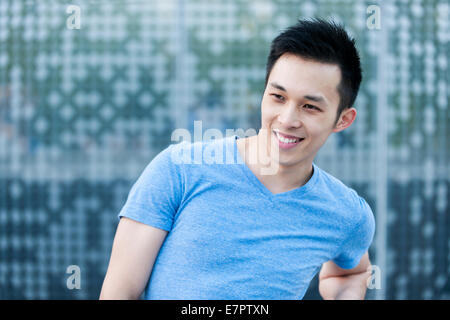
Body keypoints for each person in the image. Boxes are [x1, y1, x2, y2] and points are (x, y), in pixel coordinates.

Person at [100, 18, 375, 300]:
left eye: (310, 106)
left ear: (342, 120)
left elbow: (350, 272)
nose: (287, 119)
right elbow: (119, 293)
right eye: (278, 97)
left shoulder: (348, 214)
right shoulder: (178, 170)